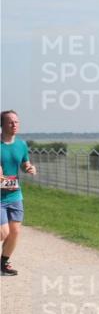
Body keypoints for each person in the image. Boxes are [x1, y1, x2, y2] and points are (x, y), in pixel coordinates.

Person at [1, 110, 37, 277]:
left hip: (15, 195)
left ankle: (3, 264)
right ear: (2, 124)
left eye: (16, 122)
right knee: (4, 233)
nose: (14, 125)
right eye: (10, 122)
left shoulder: (21, 145)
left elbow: (24, 163)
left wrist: (29, 168)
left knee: (15, 232)